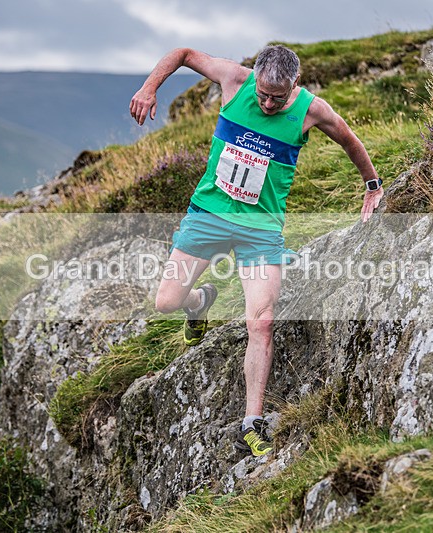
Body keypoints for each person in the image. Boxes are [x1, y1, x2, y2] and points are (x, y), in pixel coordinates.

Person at [130, 45, 383, 457]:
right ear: (256, 78)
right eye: (263, 94)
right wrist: (148, 88)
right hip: (209, 215)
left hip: (261, 231)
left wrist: (372, 185)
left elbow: (348, 139)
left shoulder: (311, 110)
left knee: (261, 322)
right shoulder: (234, 79)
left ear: (294, 84)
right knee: (166, 302)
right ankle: (199, 303)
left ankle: (252, 422)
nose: (267, 104)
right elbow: (183, 53)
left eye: (277, 98)